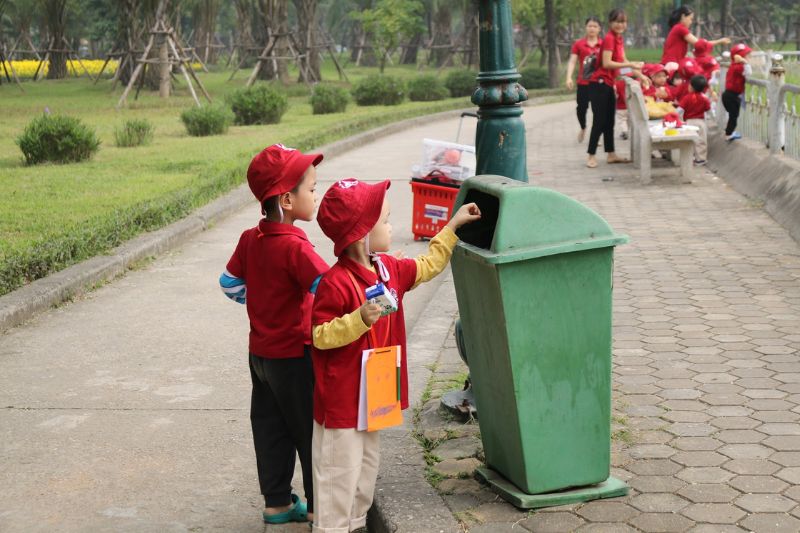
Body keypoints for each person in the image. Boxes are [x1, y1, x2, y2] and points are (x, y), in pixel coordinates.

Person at [310, 179, 480, 533]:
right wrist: (359, 319)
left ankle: (355, 525)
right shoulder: (335, 283)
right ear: (360, 235)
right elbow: (320, 336)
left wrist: (453, 226)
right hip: (341, 404)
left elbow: (428, 265)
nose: (392, 227)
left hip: (373, 397)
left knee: (365, 471)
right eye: (385, 221)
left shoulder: (388, 269)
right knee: (338, 476)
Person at [220, 144, 329, 525]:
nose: (316, 195)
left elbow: (229, 282)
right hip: (295, 356)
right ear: (286, 199)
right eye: (312, 189)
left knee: (269, 427)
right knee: (309, 432)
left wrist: (262, 299)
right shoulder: (296, 246)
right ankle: (320, 509)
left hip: (261, 357)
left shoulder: (251, 238)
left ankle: (277, 503)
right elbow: (327, 288)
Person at [586, 8, 650, 169]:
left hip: (608, 84)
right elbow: (607, 63)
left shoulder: (618, 39)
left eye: (623, 22)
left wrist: (640, 75)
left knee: (609, 121)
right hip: (599, 84)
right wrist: (629, 64)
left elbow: (624, 63)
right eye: (617, 21)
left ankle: (611, 154)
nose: (620, 25)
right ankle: (591, 156)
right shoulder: (609, 38)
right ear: (610, 23)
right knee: (599, 121)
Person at [565, 16, 602, 143]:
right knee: (581, 109)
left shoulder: (603, 45)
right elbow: (572, 61)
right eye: (590, 26)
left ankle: (595, 136)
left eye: (595, 26)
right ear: (586, 28)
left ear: (599, 29)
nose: (592, 28)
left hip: (599, 83)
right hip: (583, 83)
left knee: (598, 110)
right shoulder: (579, 44)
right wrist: (569, 77)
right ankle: (583, 127)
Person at [661, 5, 730, 65]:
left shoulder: (677, 27)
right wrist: (720, 41)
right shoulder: (680, 28)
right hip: (672, 63)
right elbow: (700, 44)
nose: (691, 22)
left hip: (671, 62)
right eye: (690, 19)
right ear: (683, 16)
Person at [722, 43, 752, 141]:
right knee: (734, 116)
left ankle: (728, 131)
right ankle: (728, 134)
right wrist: (746, 63)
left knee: (731, 114)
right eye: (747, 56)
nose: (749, 57)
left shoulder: (732, 66)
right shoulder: (739, 67)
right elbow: (749, 74)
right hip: (732, 96)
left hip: (727, 94)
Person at [678, 74, 712, 164]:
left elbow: (679, 110)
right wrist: (711, 119)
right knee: (701, 141)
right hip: (700, 122)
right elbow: (709, 111)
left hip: (689, 122)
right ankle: (701, 158)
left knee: (689, 140)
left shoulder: (687, 98)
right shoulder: (705, 98)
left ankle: (689, 157)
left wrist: (673, 116)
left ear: (692, 87)